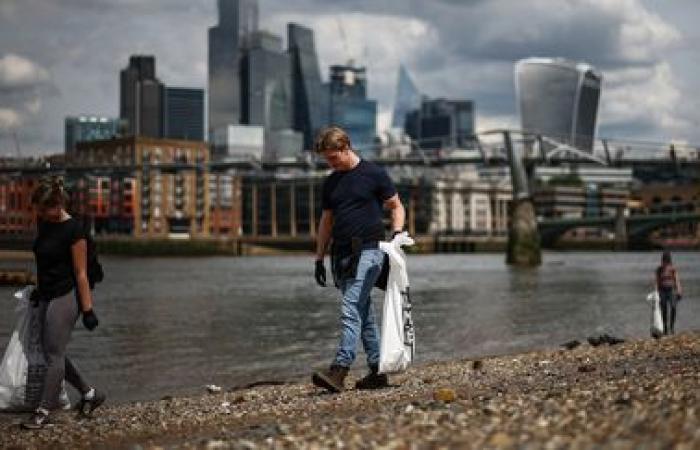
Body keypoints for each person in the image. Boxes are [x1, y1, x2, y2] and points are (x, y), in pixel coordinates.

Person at [311, 126, 405, 393]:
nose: (330, 164)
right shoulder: (331, 182)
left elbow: (397, 206)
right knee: (363, 314)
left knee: (350, 306)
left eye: (333, 158)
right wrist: (319, 258)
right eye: (326, 159)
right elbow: (326, 221)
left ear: (345, 147)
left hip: (370, 250)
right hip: (340, 255)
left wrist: (397, 235)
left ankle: (340, 369)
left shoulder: (373, 174)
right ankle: (377, 371)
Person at [22, 176, 105, 429]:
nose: (39, 213)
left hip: (66, 294)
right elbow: (43, 260)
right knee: (51, 352)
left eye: (43, 208)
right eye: (37, 209)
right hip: (46, 292)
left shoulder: (75, 230)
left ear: (57, 204)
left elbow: (81, 273)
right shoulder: (44, 221)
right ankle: (90, 393)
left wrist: (88, 309)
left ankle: (44, 411)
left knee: (53, 353)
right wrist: (37, 288)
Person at [655, 250, 683, 335]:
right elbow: (657, 281)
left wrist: (679, 289)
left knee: (673, 307)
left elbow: (676, 279)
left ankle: (672, 327)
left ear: (669, 260)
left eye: (667, 260)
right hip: (662, 291)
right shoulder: (659, 269)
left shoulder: (672, 269)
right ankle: (665, 327)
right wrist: (656, 292)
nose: (665, 262)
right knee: (664, 309)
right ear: (662, 260)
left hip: (671, 290)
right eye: (664, 260)